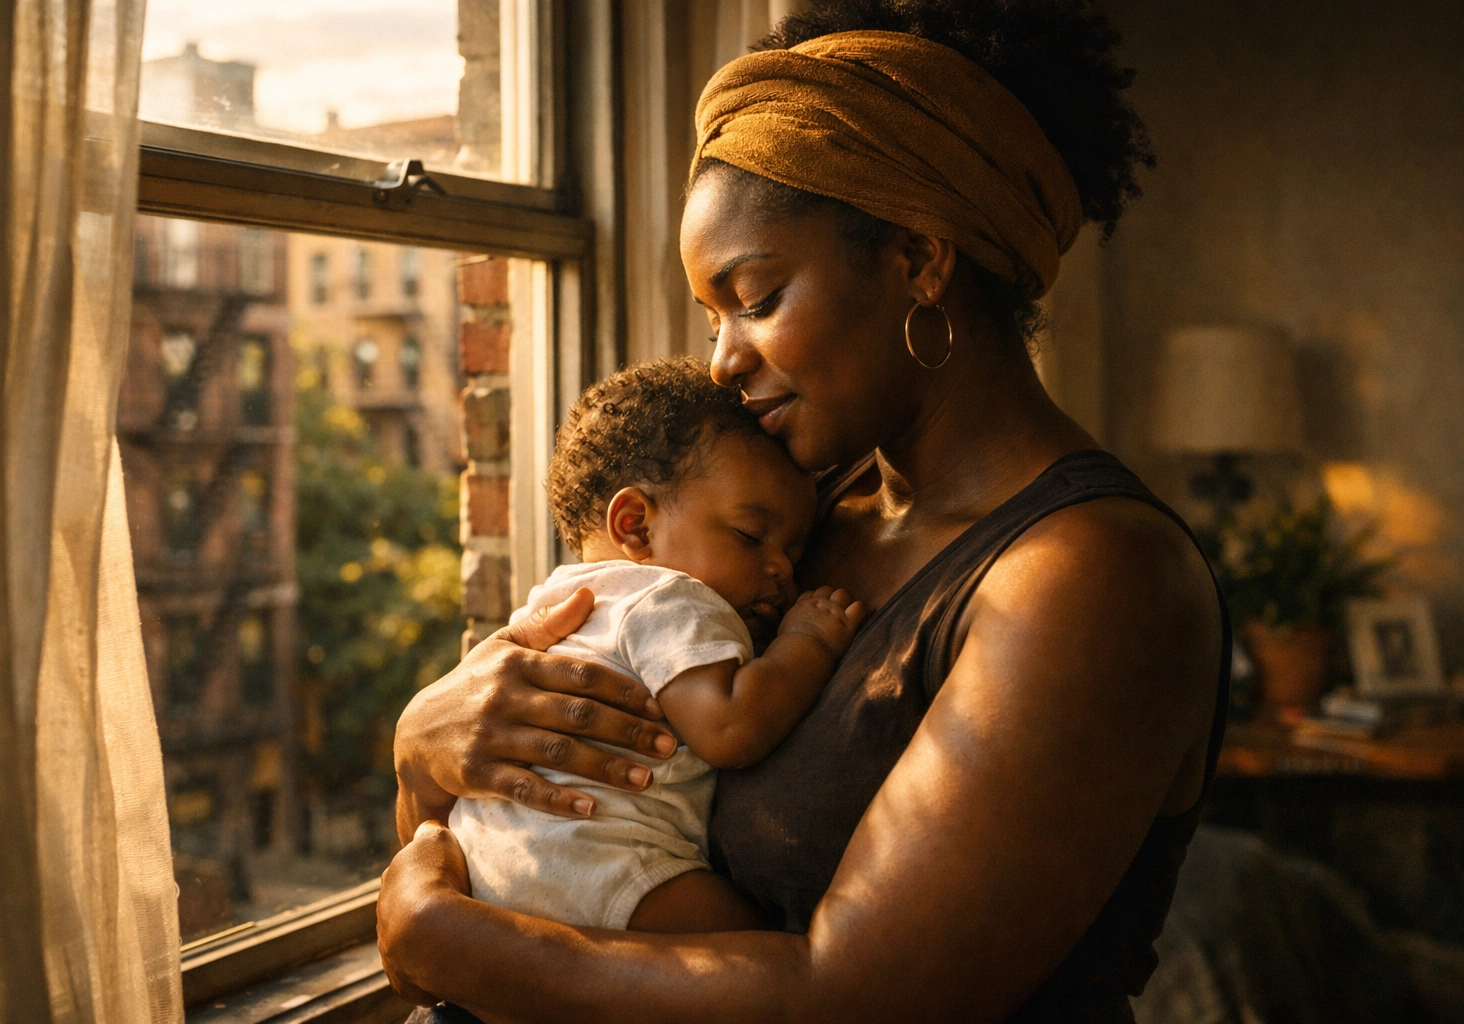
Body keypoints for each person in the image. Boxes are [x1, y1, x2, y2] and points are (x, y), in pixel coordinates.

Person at [379, 2, 1230, 1021]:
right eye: (711, 314)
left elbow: (857, 997)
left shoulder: (1092, 577)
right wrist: (423, 748)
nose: (722, 359)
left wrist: (452, 943)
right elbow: (524, 799)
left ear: (920, 260)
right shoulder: (793, 523)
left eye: (756, 295)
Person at [449, 358, 864, 935]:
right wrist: (807, 641)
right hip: (598, 860)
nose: (780, 569)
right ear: (636, 526)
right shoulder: (668, 597)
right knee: (760, 945)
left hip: (490, 854)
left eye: (793, 553)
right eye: (751, 535)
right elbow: (729, 727)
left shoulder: (560, 597)